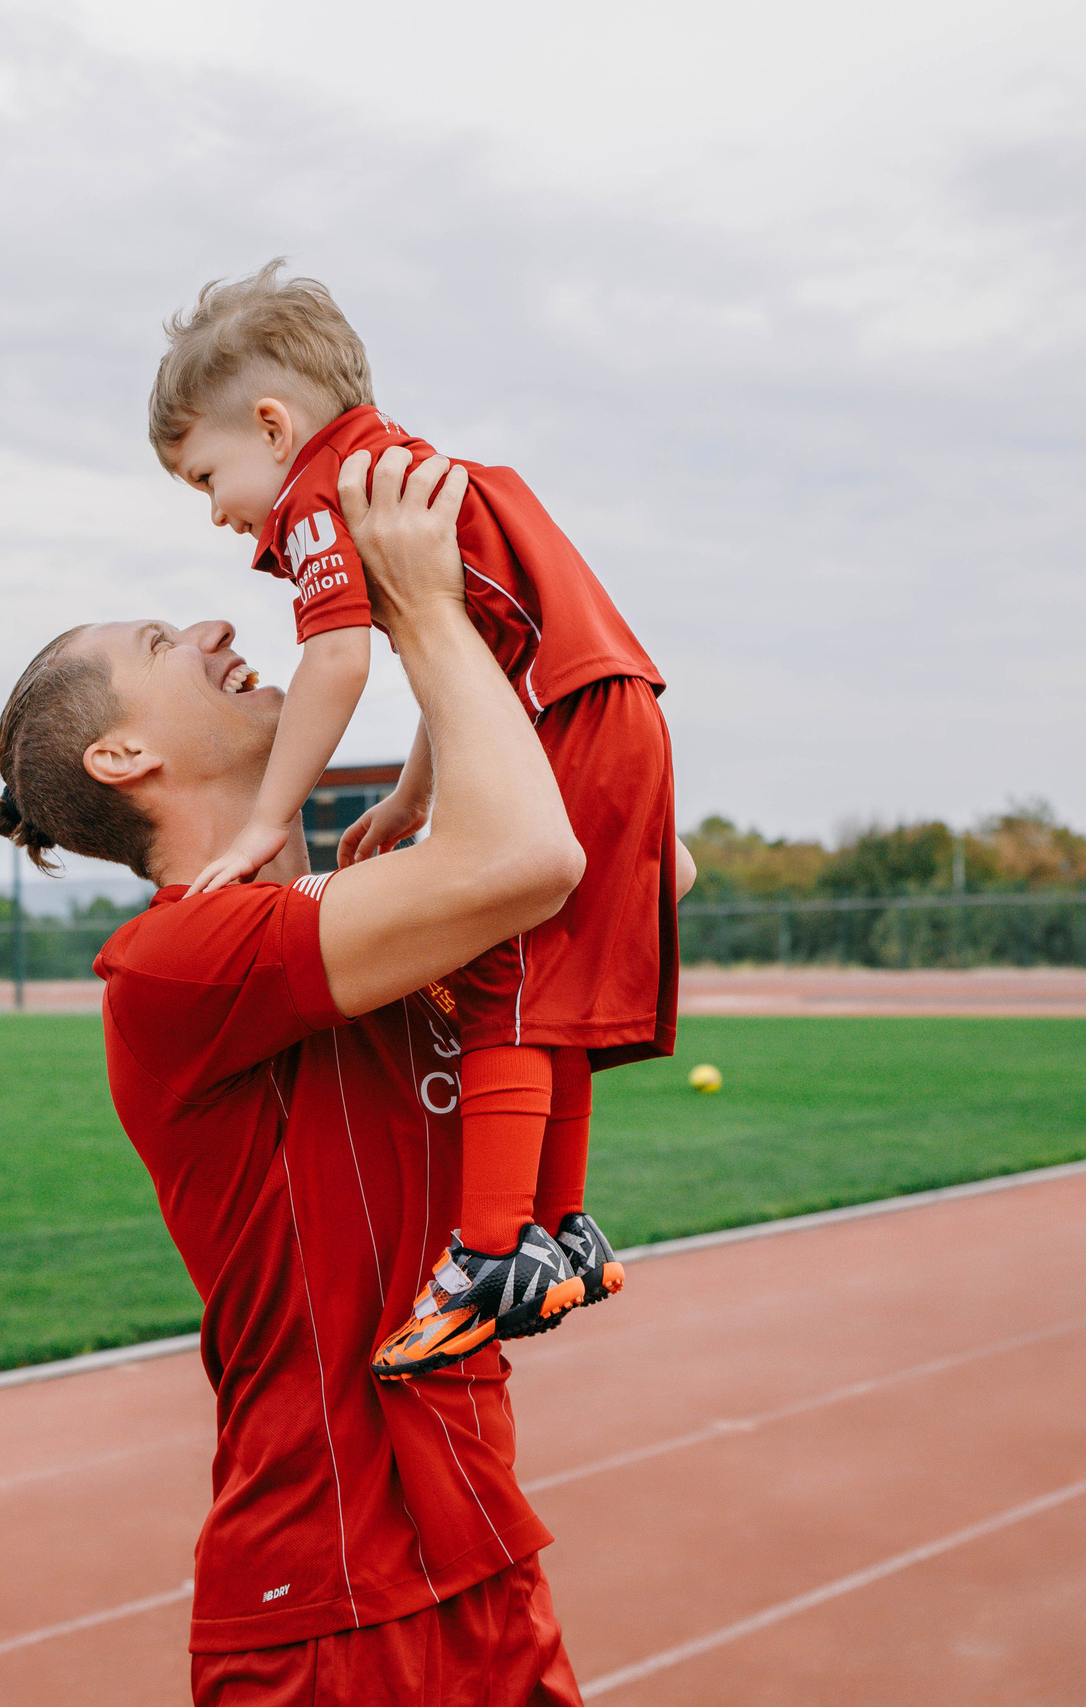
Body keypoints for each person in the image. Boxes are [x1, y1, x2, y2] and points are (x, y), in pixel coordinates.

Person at [0, 447, 614, 1704]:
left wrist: (478, 608)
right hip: (322, 1599)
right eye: (163, 640)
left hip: (475, 1542)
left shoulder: (380, 922)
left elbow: (637, 864)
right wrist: (419, 607)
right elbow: (540, 856)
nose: (218, 622)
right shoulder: (175, 961)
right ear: (119, 759)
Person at [147, 262, 687, 1379]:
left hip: (566, 715)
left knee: (502, 981)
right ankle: (562, 1228)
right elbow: (475, 666)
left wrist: (266, 822)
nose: (214, 511)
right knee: (554, 976)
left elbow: (336, 657)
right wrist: (413, 794)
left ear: (270, 423)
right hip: (605, 705)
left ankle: (492, 1251)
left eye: (206, 474)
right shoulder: (409, 473)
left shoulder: (324, 495)